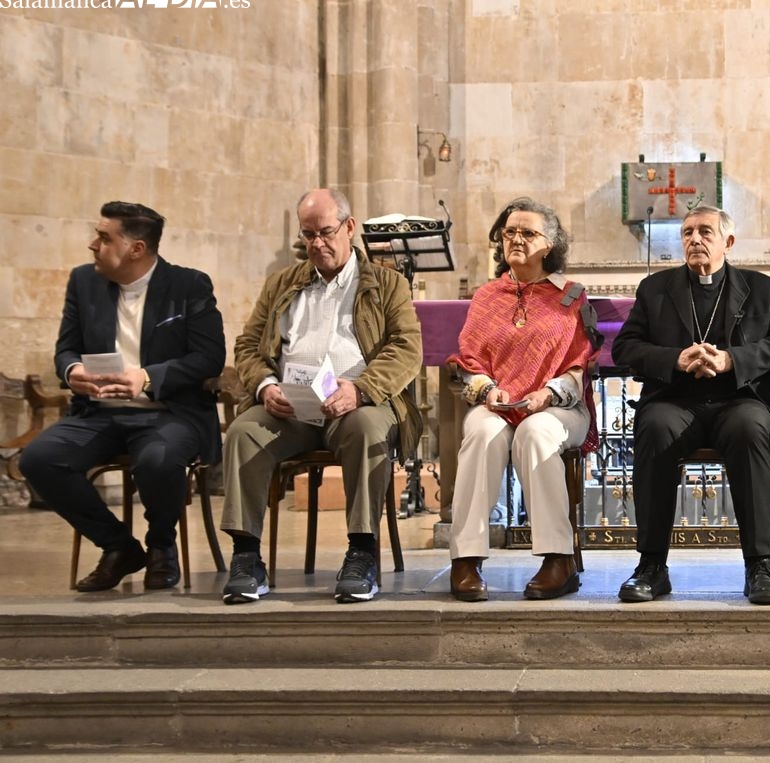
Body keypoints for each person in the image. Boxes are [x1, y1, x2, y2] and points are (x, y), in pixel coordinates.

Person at [220, 188, 422, 604]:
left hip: (357, 404)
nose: (316, 243)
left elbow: (406, 347)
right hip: (290, 407)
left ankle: (361, 553)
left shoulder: (387, 284)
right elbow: (248, 345)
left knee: (367, 429)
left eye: (325, 232)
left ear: (349, 228)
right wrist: (263, 385)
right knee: (243, 432)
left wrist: (361, 389)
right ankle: (246, 557)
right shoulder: (282, 283)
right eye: (308, 235)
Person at [20, 201, 225, 592]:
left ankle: (162, 546)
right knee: (39, 459)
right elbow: (66, 349)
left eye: (103, 237)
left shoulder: (189, 285)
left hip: (169, 412)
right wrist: (72, 371)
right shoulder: (83, 282)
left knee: (158, 458)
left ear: (136, 249)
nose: (92, 245)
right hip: (98, 413)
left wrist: (147, 378)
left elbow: (209, 358)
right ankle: (119, 547)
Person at [611, 205, 770, 605]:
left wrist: (733, 359)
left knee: (751, 427)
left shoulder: (762, 288)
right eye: (687, 232)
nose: (694, 239)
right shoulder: (655, 289)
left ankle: (761, 565)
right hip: (675, 399)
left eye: (705, 232)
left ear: (728, 242)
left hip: (739, 399)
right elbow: (625, 347)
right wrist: (674, 360)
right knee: (656, 426)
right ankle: (651, 566)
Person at [447, 197, 599, 601]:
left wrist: (548, 393)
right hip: (497, 403)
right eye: (509, 231)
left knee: (535, 432)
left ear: (549, 244)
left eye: (528, 233)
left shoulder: (571, 296)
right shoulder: (487, 296)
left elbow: (580, 364)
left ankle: (557, 559)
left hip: (562, 407)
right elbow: (470, 360)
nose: (516, 239)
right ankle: (466, 559)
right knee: (481, 432)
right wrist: (484, 387)